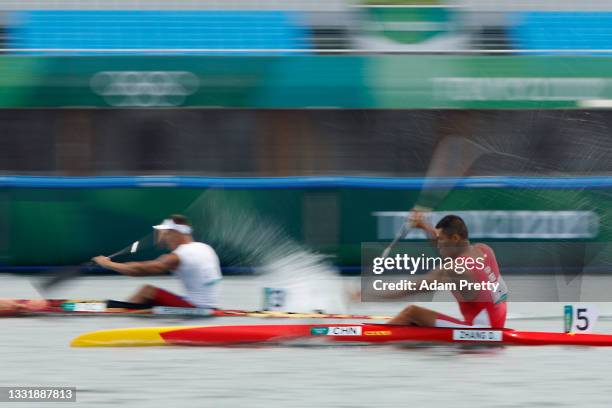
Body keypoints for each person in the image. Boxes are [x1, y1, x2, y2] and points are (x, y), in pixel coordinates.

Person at [387, 212, 508, 328]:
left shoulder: (456, 269)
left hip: (482, 328)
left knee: (411, 313)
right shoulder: (484, 249)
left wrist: (379, 295)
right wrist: (422, 225)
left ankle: (376, 335)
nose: (438, 244)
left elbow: (414, 288)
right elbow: (447, 242)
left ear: (455, 238)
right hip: (497, 317)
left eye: (441, 240)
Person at [92, 214, 222, 309]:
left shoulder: (180, 256)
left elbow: (139, 270)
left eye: (166, 234)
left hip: (197, 308)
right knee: (152, 298)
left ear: (176, 233)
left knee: (148, 291)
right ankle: (127, 309)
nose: (164, 238)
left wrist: (108, 264)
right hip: (208, 305)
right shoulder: (205, 248)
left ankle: (117, 316)